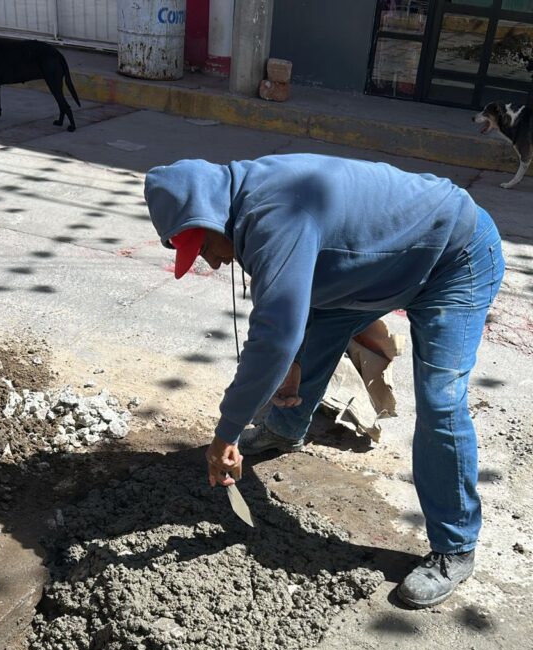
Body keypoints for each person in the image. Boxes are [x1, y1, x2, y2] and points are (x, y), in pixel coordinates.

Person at [144, 154, 504, 608]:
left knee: (441, 401)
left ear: (209, 219)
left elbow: (273, 336)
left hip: (454, 256)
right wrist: (292, 359)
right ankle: (285, 428)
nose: (213, 262)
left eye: (204, 248)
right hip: (379, 268)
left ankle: (455, 546)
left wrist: (226, 433)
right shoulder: (244, 207)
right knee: (311, 333)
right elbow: (288, 313)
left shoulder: (275, 216)